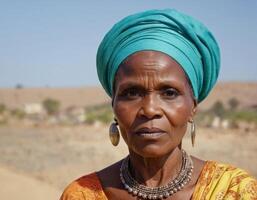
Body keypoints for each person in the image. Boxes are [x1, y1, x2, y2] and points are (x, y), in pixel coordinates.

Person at [60, 9, 257, 200]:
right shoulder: (82, 195)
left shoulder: (235, 191)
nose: (150, 110)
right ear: (114, 105)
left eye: (169, 93)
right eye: (131, 93)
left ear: (193, 107)